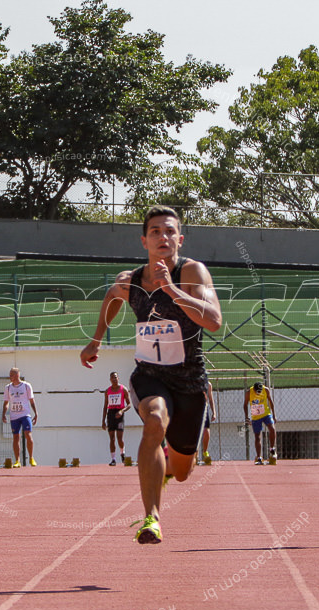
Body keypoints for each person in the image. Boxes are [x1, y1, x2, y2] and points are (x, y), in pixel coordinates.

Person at [80, 206, 222, 544]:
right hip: (149, 375)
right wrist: (96, 338)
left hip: (190, 381)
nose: (163, 237)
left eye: (170, 231)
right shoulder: (131, 281)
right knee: (154, 419)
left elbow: (214, 321)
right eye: (156, 231)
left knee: (184, 472)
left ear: (180, 239)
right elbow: (113, 294)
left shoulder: (193, 273)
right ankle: (152, 518)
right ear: (144, 240)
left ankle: (170, 464)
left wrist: (171, 289)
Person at [2, 369, 38, 467]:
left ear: (17, 375)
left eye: (12, 375)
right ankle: (17, 461)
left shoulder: (26, 386)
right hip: (14, 416)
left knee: (28, 434)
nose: (10, 377)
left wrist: (36, 413)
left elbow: (31, 400)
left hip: (25, 414)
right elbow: (6, 403)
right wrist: (4, 414)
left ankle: (31, 457)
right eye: (9, 375)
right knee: (16, 437)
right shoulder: (8, 388)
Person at [244, 381, 277, 464]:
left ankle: (272, 449)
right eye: (257, 392)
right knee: (257, 436)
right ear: (254, 389)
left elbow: (270, 401)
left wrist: (274, 415)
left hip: (266, 414)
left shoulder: (266, 390)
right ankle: (259, 457)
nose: (258, 393)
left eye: (260, 391)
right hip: (256, 416)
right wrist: (246, 417)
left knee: (272, 428)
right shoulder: (249, 393)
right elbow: (245, 404)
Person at [102, 372, 131, 466]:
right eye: (112, 378)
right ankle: (113, 459)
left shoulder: (123, 389)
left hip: (119, 413)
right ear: (110, 379)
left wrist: (122, 411)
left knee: (119, 437)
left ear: (118, 378)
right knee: (112, 438)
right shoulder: (107, 391)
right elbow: (105, 406)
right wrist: (103, 421)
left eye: (115, 377)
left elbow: (129, 404)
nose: (114, 379)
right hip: (110, 414)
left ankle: (122, 453)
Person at [200, 380, 216, 464]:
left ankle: (205, 452)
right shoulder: (191, 382)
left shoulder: (208, 384)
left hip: (204, 409)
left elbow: (210, 398)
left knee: (206, 431)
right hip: (193, 409)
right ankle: (194, 455)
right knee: (195, 433)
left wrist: (214, 412)